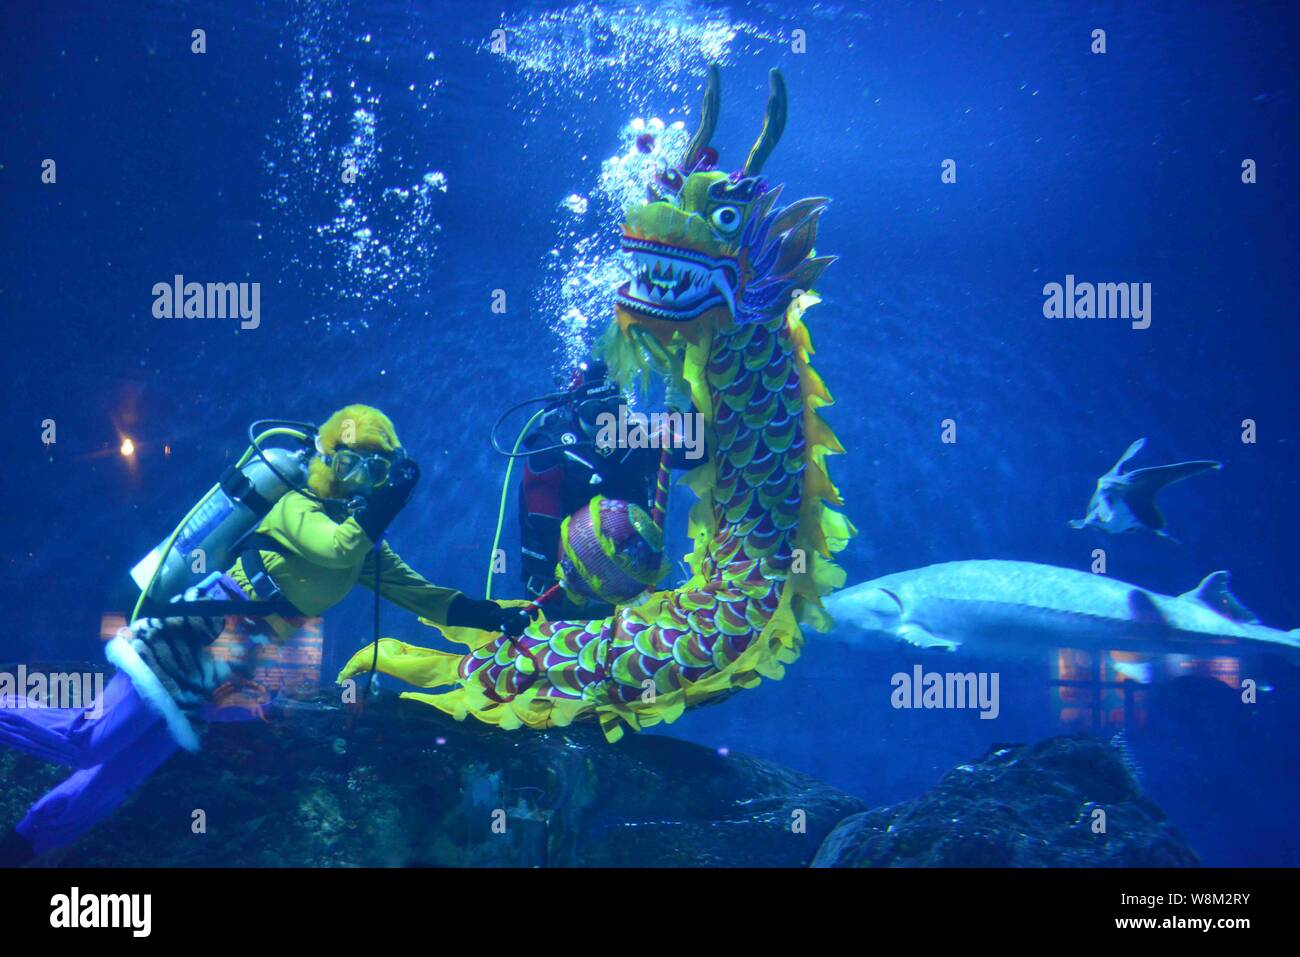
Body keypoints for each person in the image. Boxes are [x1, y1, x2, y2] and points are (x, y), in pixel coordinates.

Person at [0, 404, 529, 865]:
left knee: (115, 780)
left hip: (234, 662)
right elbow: (334, 549)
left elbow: (423, 595)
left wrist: (492, 617)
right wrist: (391, 499)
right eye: (347, 462)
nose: (354, 479)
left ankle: (21, 847)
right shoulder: (294, 505)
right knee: (89, 741)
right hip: (197, 631)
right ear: (325, 457)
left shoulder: (364, 544)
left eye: (370, 471)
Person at [517, 360, 695, 618]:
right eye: (594, 411)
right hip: (564, 587)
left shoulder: (637, 438)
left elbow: (695, 453)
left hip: (630, 577)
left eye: (614, 408)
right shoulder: (551, 450)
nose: (605, 422)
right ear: (574, 408)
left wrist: (687, 408)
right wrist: (594, 579)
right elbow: (543, 527)